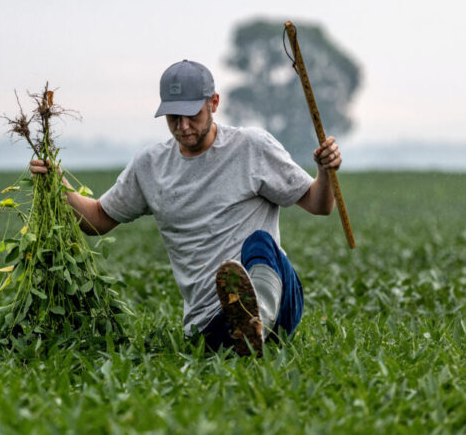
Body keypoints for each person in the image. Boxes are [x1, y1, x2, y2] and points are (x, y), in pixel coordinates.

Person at [31, 59, 342, 356]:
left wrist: (325, 171)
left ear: (214, 103)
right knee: (219, 328)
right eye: (172, 118)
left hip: (281, 300)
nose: (182, 126)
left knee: (259, 243)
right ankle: (242, 329)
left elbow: (319, 204)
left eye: (192, 114)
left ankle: (255, 324)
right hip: (211, 320)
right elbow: (97, 220)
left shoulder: (252, 147)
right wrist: (59, 187)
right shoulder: (150, 166)